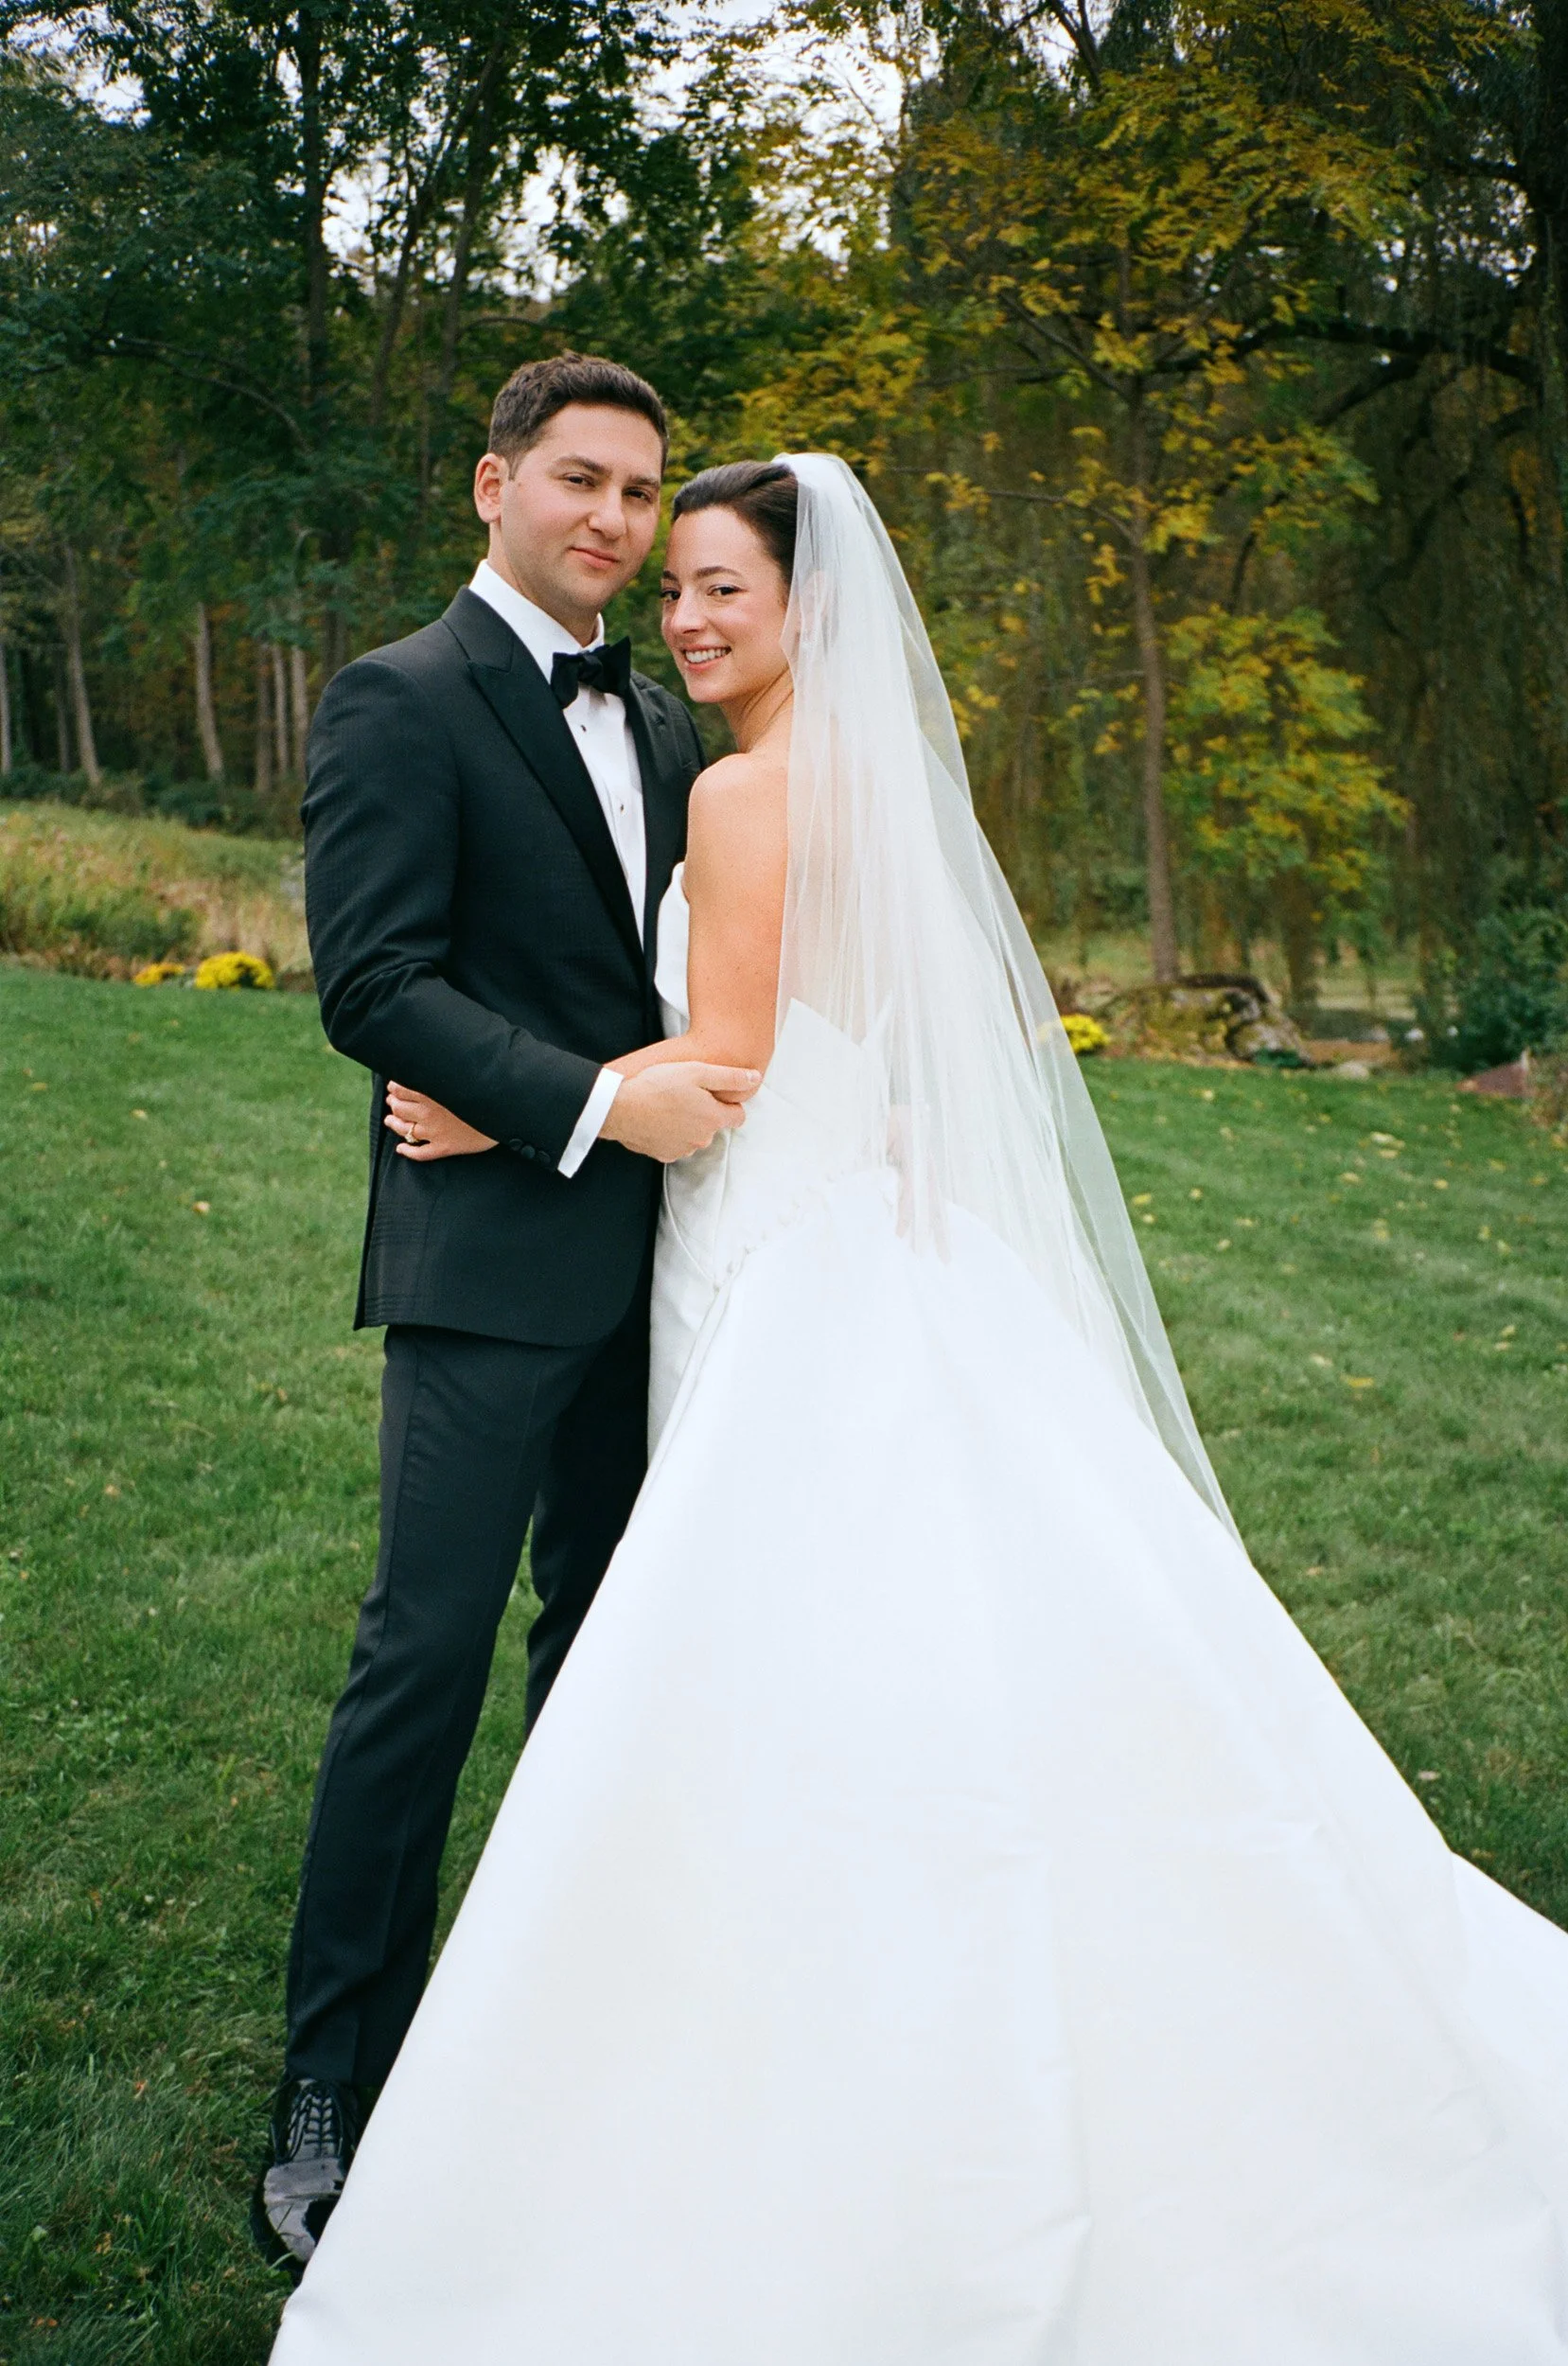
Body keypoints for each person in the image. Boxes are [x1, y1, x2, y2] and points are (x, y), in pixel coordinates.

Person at [271, 456, 1568, 2361]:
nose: (682, 603)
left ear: (809, 607)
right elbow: (808, 1025)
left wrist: (522, 1092)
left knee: (737, 1635)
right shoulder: (823, 772)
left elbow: (724, 1055)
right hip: (796, 1234)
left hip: (758, 1236)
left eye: (715, 573)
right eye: (653, 552)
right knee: (579, 1638)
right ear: (501, 484)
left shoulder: (723, 771)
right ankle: (371, 2065)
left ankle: (702, 2024)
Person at [251, 353, 761, 2277]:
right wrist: (572, 1097)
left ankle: (560, 2033)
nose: (617, 520)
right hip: (482, 1269)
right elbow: (371, 978)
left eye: (641, 490)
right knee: (423, 1660)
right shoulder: (401, 697)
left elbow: (686, 975)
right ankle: (329, 2086)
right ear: (493, 484)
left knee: (611, 1662)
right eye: (580, 479)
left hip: (664, 1265)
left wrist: (578, 1082)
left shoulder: (676, 722)